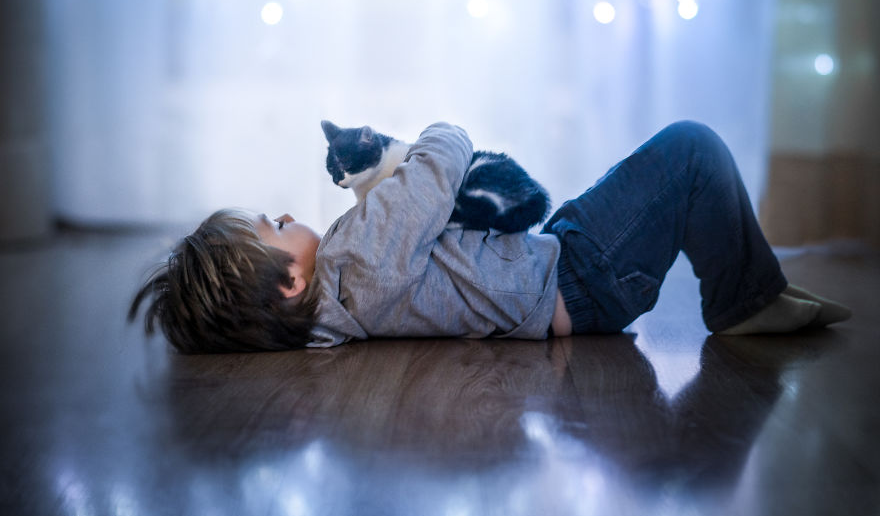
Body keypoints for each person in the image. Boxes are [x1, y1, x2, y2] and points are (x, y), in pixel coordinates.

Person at [128, 120, 851, 353]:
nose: (285, 215)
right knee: (690, 151)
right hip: (580, 278)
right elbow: (441, 163)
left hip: (552, 258)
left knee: (632, 182)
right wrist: (427, 135)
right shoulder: (359, 257)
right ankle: (745, 299)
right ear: (288, 281)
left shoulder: (327, 316)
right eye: (274, 227)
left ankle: (752, 284)